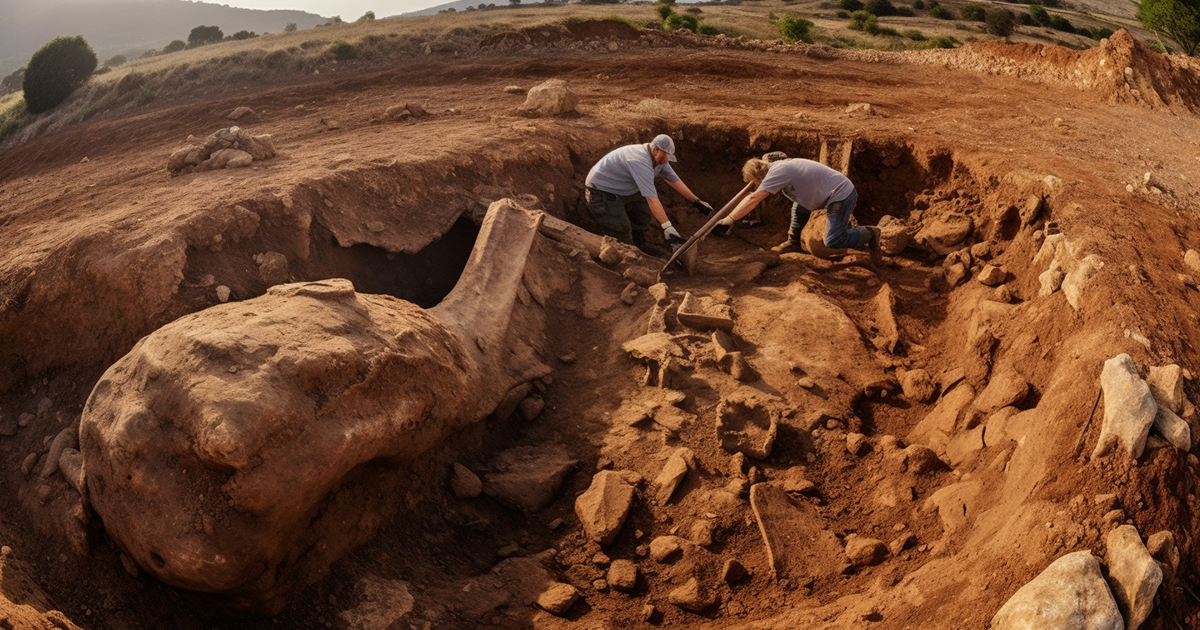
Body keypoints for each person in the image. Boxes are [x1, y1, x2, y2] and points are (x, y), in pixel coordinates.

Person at [712, 156, 881, 264]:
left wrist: (730, 219)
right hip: (831, 190)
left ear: (759, 176)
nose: (758, 186)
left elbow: (754, 199)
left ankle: (869, 233)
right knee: (798, 207)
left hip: (841, 195)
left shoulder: (778, 172)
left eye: (755, 182)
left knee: (833, 240)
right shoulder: (778, 167)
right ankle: (793, 243)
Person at [585, 134, 713, 254]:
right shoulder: (640, 161)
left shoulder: (659, 159)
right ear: (655, 149)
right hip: (601, 192)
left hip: (622, 188)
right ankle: (627, 256)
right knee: (622, 229)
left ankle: (640, 245)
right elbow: (652, 199)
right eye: (664, 156)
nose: (666, 160)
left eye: (668, 156)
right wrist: (668, 228)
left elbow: (674, 180)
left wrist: (697, 202)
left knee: (642, 212)